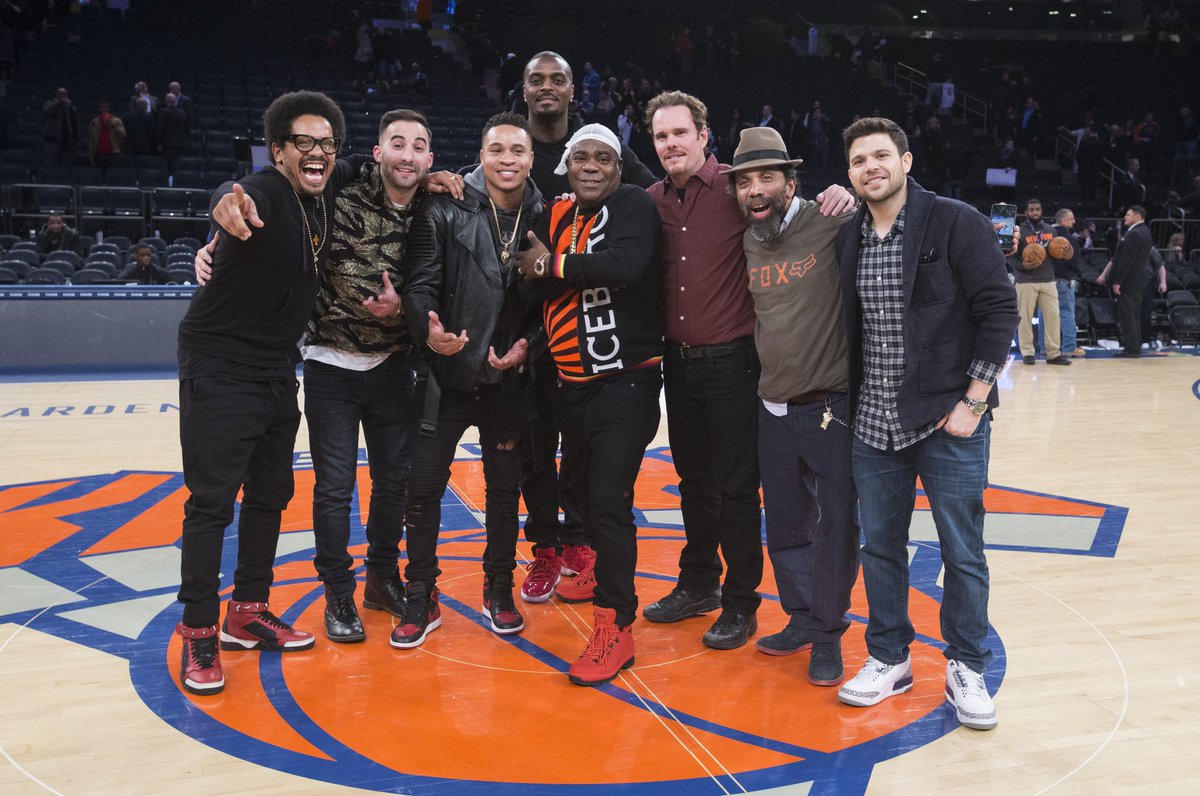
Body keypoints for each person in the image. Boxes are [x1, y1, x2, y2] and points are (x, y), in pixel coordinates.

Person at [192, 110, 463, 644]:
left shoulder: (438, 207)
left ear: (432, 158)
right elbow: (261, 187)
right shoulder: (341, 181)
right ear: (377, 151)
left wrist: (404, 310)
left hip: (395, 365)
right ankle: (338, 591)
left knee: (393, 486)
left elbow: (440, 282)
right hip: (327, 363)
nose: (407, 155)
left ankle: (382, 580)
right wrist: (217, 224)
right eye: (397, 144)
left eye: (419, 147)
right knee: (334, 489)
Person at [643, 90, 853, 650]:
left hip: (737, 363)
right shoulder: (651, 201)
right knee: (693, 485)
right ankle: (698, 585)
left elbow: (793, 210)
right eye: (661, 136)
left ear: (703, 135)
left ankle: (741, 604)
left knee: (738, 490)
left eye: (679, 133)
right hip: (678, 364)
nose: (671, 144)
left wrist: (843, 192)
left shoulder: (735, 194)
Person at [834, 117, 1018, 731]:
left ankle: (967, 664)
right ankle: (890, 657)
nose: (870, 168)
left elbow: (998, 308)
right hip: (873, 421)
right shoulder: (848, 234)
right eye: (859, 161)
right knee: (878, 546)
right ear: (851, 172)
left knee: (962, 551)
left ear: (906, 161)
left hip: (947, 416)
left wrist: (976, 398)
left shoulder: (954, 220)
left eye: (881, 156)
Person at [173, 91, 351, 696]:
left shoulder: (322, 188)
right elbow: (233, 196)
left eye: (326, 143)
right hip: (221, 363)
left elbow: (371, 166)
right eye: (303, 143)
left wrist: (434, 174)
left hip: (278, 368)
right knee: (211, 504)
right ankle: (199, 629)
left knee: (271, 495)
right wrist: (222, 207)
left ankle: (247, 609)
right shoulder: (267, 193)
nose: (318, 153)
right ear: (277, 150)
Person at [514, 124, 664, 685]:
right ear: (566, 166)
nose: (593, 166)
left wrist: (554, 267)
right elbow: (524, 283)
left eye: (605, 157)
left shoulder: (633, 205)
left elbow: (623, 267)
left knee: (606, 499)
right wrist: (550, 271)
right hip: (567, 381)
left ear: (620, 166)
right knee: (574, 489)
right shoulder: (553, 213)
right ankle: (594, 572)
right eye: (582, 158)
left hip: (626, 382)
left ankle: (615, 626)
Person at [394, 112, 544, 648]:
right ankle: (420, 597)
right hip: (447, 374)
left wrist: (529, 345)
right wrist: (427, 331)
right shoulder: (445, 205)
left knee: (505, 494)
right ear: (481, 155)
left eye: (517, 151)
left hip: (508, 378)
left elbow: (545, 306)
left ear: (530, 158)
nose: (507, 159)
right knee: (424, 491)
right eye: (497, 149)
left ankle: (499, 588)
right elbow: (420, 286)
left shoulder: (544, 215)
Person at [727, 126, 860, 686]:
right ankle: (802, 618)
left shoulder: (830, 220)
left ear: (791, 181)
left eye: (767, 177)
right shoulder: (749, 237)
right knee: (784, 524)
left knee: (835, 526)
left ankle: (829, 633)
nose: (755, 189)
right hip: (772, 406)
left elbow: (889, 205)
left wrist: (849, 195)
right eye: (745, 181)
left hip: (830, 405)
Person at [1014, 198, 1070, 365]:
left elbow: (1056, 256)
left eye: (1038, 209)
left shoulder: (1051, 230)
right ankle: (1027, 353)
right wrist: (1021, 265)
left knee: (1053, 317)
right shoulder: (1019, 231)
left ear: (1041, 211)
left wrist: (1066, 256)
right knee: (1024, 318)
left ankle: (1053, 354)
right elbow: (1009, 255)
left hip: (1048, 279)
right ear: (1026, 213)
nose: (1035, 212)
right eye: (1031, 210)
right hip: (1025, 280)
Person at [1109, 205, 1154, 358]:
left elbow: (1127, 260)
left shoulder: (1134, 233)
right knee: (1134, 315)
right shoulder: (1145, 231)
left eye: (1128, 215)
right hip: (1139, 280)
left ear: (1137, 216)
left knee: (1128, 314)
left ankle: (1132, 348)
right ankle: (1134, 346)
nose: (1125, 217)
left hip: (1130, 281)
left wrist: (1118, 281)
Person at [1051, 208, 1087, 357]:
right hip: (1064, 281)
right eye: (1071, 219)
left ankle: (1043, 347)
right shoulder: (1070, 239)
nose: (1074, 222)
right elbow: (1075, 263)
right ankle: (1069, 347)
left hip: (1047, 281)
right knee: (1066, 313)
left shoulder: (1046, 236)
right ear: (1064, 220)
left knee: (1045, 315)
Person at [42, 87, 79, 168]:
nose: (63, 96)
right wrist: (59, 103)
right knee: (50, 162)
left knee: (65, 163)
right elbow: (47, 112)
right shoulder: (50, 103)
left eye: (65, 94)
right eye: (61, 94)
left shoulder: (70, 107)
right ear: (56, 95)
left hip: (66, 139)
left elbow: (74, 122)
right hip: (52, 138)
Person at [89, 100, 126, 178]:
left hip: (113, 152)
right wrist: (91, 152)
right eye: (103, 106)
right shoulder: (94, 122)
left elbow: (122, 135)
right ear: (99, 108)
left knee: (113, 176)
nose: (104, 109)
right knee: (97, 176)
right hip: (99, 152)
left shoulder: (117, 121)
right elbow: (91, 139)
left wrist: (113, 125)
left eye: (106, 107)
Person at [157, 93, 190, 175]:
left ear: (166, 101)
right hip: (181, 143)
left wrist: (159, 143)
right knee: (178, 164)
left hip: (168, 143)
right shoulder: (183, 113)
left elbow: (160, 128)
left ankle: (171, 182)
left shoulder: (164, 112)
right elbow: (187, 129)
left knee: (170, 165)